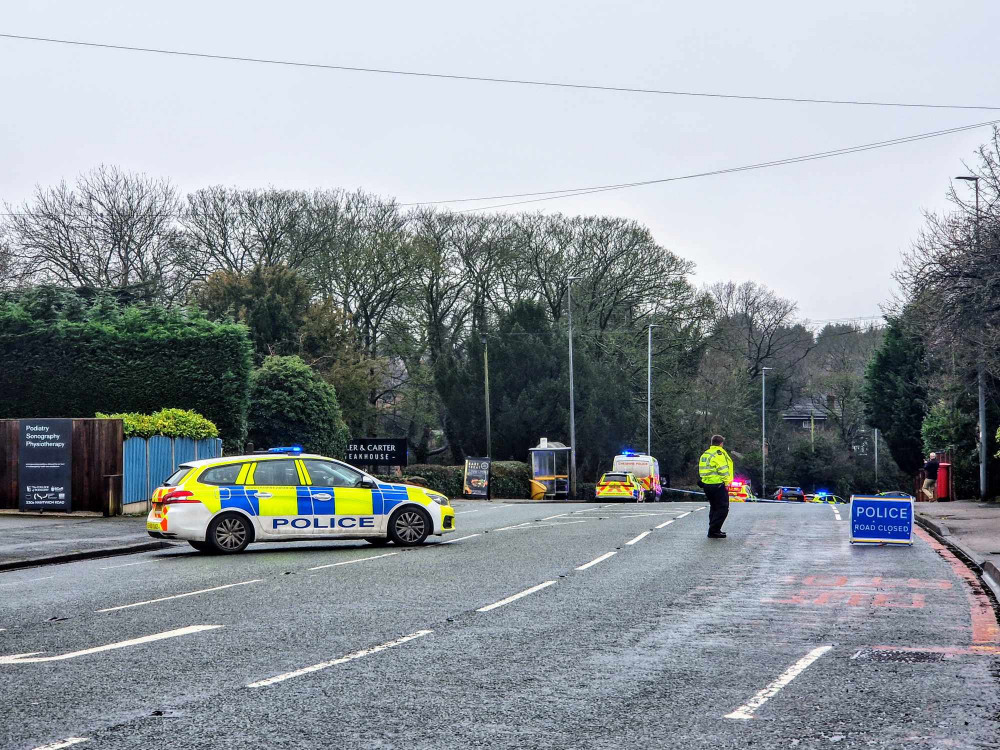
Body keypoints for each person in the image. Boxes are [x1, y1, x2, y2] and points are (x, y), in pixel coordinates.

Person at [698, 434, 734, 538]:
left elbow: (702, 470)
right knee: (723, 508)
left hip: (707, 485)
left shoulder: (706, 454)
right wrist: (727, 483)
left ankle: (714, 529)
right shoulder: (718, 454)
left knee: (714, 508)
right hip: (717, 485)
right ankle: (714, 531)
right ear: (721, 443)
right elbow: (723, 470)